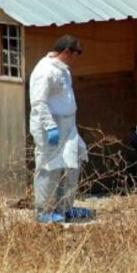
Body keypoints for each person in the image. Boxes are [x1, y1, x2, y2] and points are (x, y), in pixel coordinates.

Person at [28, 35, 90, 223]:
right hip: (51, 124)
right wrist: (50, 126)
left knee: (73, 162)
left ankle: (65, 207)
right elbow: (39, 102)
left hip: (68, 124)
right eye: (74, 54)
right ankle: (43, 210)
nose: (75, 59)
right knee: (49, 166)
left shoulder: (63, 69)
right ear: (66, 51)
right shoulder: (45, 71)